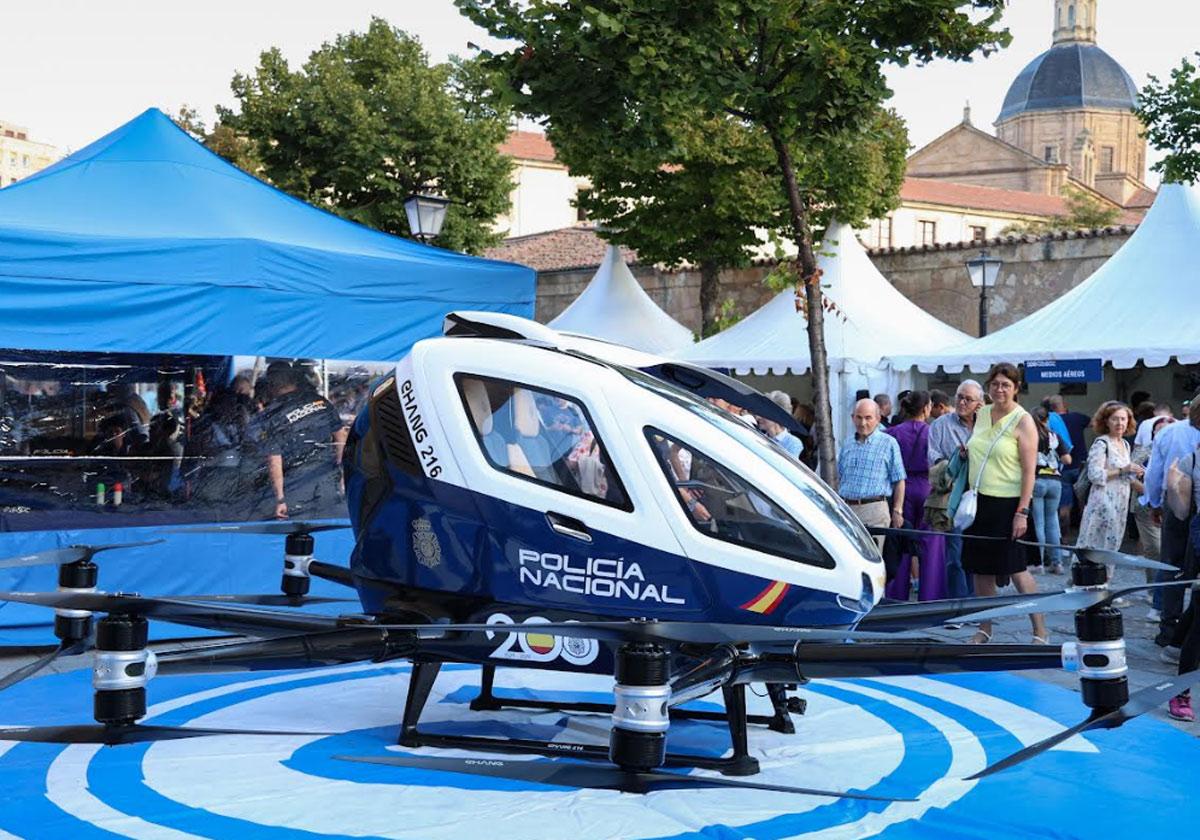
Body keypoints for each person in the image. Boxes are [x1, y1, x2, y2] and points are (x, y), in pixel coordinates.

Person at [962, 363, 1048, 645]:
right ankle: (984, 628)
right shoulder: (982, 413)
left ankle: (1040, 631)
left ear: (1016, 388)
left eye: (1006, 385)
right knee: (980, 570)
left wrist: (1022, 511)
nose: (1000, 389)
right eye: (995, 384)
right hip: (979, 501)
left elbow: (1029, 470)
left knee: (1016, 570)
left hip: (1009, 504)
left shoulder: (1023, 420)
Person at [252, 362, 348, 520]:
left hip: (296, 486)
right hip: (327, 479)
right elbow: (341, 437)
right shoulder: (319, 401)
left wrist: (280, 499)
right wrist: (342, 472)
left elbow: (273, 459)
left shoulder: (273, 414)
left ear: (271, 384)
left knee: (298, 536)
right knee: (328, 530)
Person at [1143, 387, 1200, 649]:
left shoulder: (1169, 431)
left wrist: (1153, 502)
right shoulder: (1171, 430)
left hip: (1176, 500)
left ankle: (1169, 629)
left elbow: (1155, 472)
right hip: (1186, 501)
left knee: (1173, 567)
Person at [885, 390, 946, 601]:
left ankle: (895, 598)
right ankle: (931, 599)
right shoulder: (933, 432)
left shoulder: (892, 433)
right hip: (929, 488)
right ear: (927, 408)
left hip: (901, 489)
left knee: (899, 544)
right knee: (932, 547)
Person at [928, 379, 984, 598]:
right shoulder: (941, 424)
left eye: (968, 399)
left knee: (978, 552)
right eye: (959, 397)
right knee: (955, 554)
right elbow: (932, 458)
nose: (962, 402)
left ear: (979, 402)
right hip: (953, 495)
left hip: (983, 494)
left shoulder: (986, 425)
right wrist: (955, 460)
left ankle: (974, 602)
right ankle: (958, 605)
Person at [838, 398, 905, 551]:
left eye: (868, 418)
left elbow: (899, 479)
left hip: (874, 510)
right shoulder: (847, 443)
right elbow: (840, 476)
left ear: (878, 419)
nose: (863, 423)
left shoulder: (889, 443)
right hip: (848, 510)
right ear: (852, 418)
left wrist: (897, 510)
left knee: (871, 558)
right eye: (859, 417)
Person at [1133, 414, 1173, 619]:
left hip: (1172, 506)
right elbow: (1130, 476)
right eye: (1160, 429)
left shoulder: (1179, 450)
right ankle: (1154, 591)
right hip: (1145, 505)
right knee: (1155, 548)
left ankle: (1159, 595)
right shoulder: (1143, 451)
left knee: (1166, 551)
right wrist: (1149, 492)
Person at [1031, 407, 1072, 573]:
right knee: (1053, 522)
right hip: (1055, 482)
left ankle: (1039, 563)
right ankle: (1057, 563)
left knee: (1038, 523)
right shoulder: (1055, 436)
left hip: (1037, 480)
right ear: (1047, 419)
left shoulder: (1030, 436)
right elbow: (1067, 459)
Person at [756, 391, 804, 460]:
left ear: (777, 416)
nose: (758, 417)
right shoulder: (758, 435)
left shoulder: (793, 443)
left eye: (763, 414)